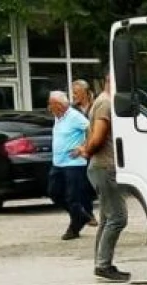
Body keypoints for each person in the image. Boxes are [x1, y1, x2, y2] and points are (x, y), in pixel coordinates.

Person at [75, 73, 130, 282]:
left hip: (100, 166)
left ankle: (101, 262)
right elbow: (97, 137)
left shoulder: (100, 102)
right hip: (106, 166)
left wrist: (86, 149)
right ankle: (103, 265)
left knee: (107, 218)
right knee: (118, 217)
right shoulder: (106, 104)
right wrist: (88, 150)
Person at [46, 91, 96, 240]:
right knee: (53, 192)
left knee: (72, 197)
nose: (49, 107)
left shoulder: (75, 116)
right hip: (58, 163)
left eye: (51, 104)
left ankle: (74, 228)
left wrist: (84, 147)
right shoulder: (58, 116)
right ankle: (81, 216)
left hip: (74, 164)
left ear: (59, 105)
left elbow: (92, 130)